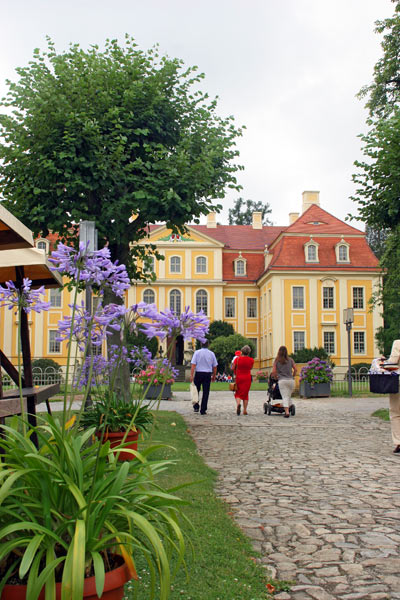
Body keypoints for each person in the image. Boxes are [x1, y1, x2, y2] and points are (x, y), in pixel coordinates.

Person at [190, 340, 218, 415]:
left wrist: (191, 375)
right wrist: (214, 375)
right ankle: (203, 409)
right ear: (208, 344)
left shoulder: (197, 352)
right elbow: (215, 366)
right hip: (207, 374)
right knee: (206, 392)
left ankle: (196, 406)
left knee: (196, 391)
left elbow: (193, 365)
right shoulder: (211, 354)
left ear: (201, 344)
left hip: (198, 373)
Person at [382, 339, 400, 453]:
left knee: (395, 412)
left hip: (398, 383)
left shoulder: (398, 343)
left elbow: (392, 362)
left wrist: (384, 363)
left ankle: (399, 442)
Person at [271, 346, 297, 418]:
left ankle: (287, 412)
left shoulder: (276, 361)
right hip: (291, 381)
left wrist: (276, 377)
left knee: (285, 396)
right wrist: (293, 375)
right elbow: (295, 369)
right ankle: (290, 406)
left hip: (282, 380)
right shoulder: (290, 360)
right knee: (288, 395)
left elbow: (273, 371)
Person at [233, 345, 254, 415]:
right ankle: (245, 410)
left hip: (239, 377)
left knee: (238, 392)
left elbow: (233, 367)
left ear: (242, 352)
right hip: (247, 378)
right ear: (249, 352)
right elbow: (251, 368)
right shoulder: (251, 360)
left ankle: (238, 404)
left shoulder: (237, 359)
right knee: (246, 394)